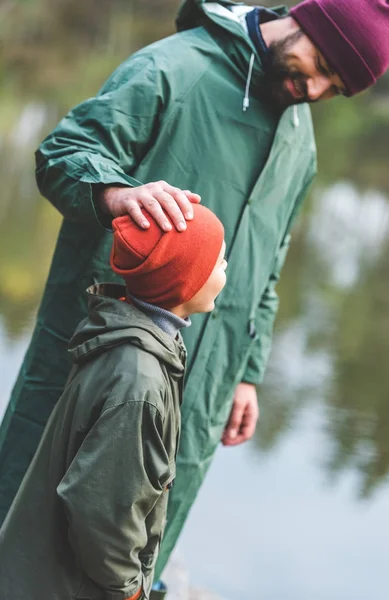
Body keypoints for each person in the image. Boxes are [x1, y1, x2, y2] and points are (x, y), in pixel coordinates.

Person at [0, 0, 389, 583]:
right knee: (31, 536)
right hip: (96, 369)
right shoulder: (174, 69)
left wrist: (248, 372)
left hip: (201, 388)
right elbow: (62, 155)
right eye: (321, 65)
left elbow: (271, 260)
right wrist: (115, 194)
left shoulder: (300, 138)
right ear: (306, 20)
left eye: (334, 88)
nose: (314, 91)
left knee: (138, 554)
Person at [0, 204, 226, 600]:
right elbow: (101, 514)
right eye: (217, 259)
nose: (225, 263)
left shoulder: (136, 337)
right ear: (185, 283)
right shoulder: (138, 381)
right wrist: (129, 590)